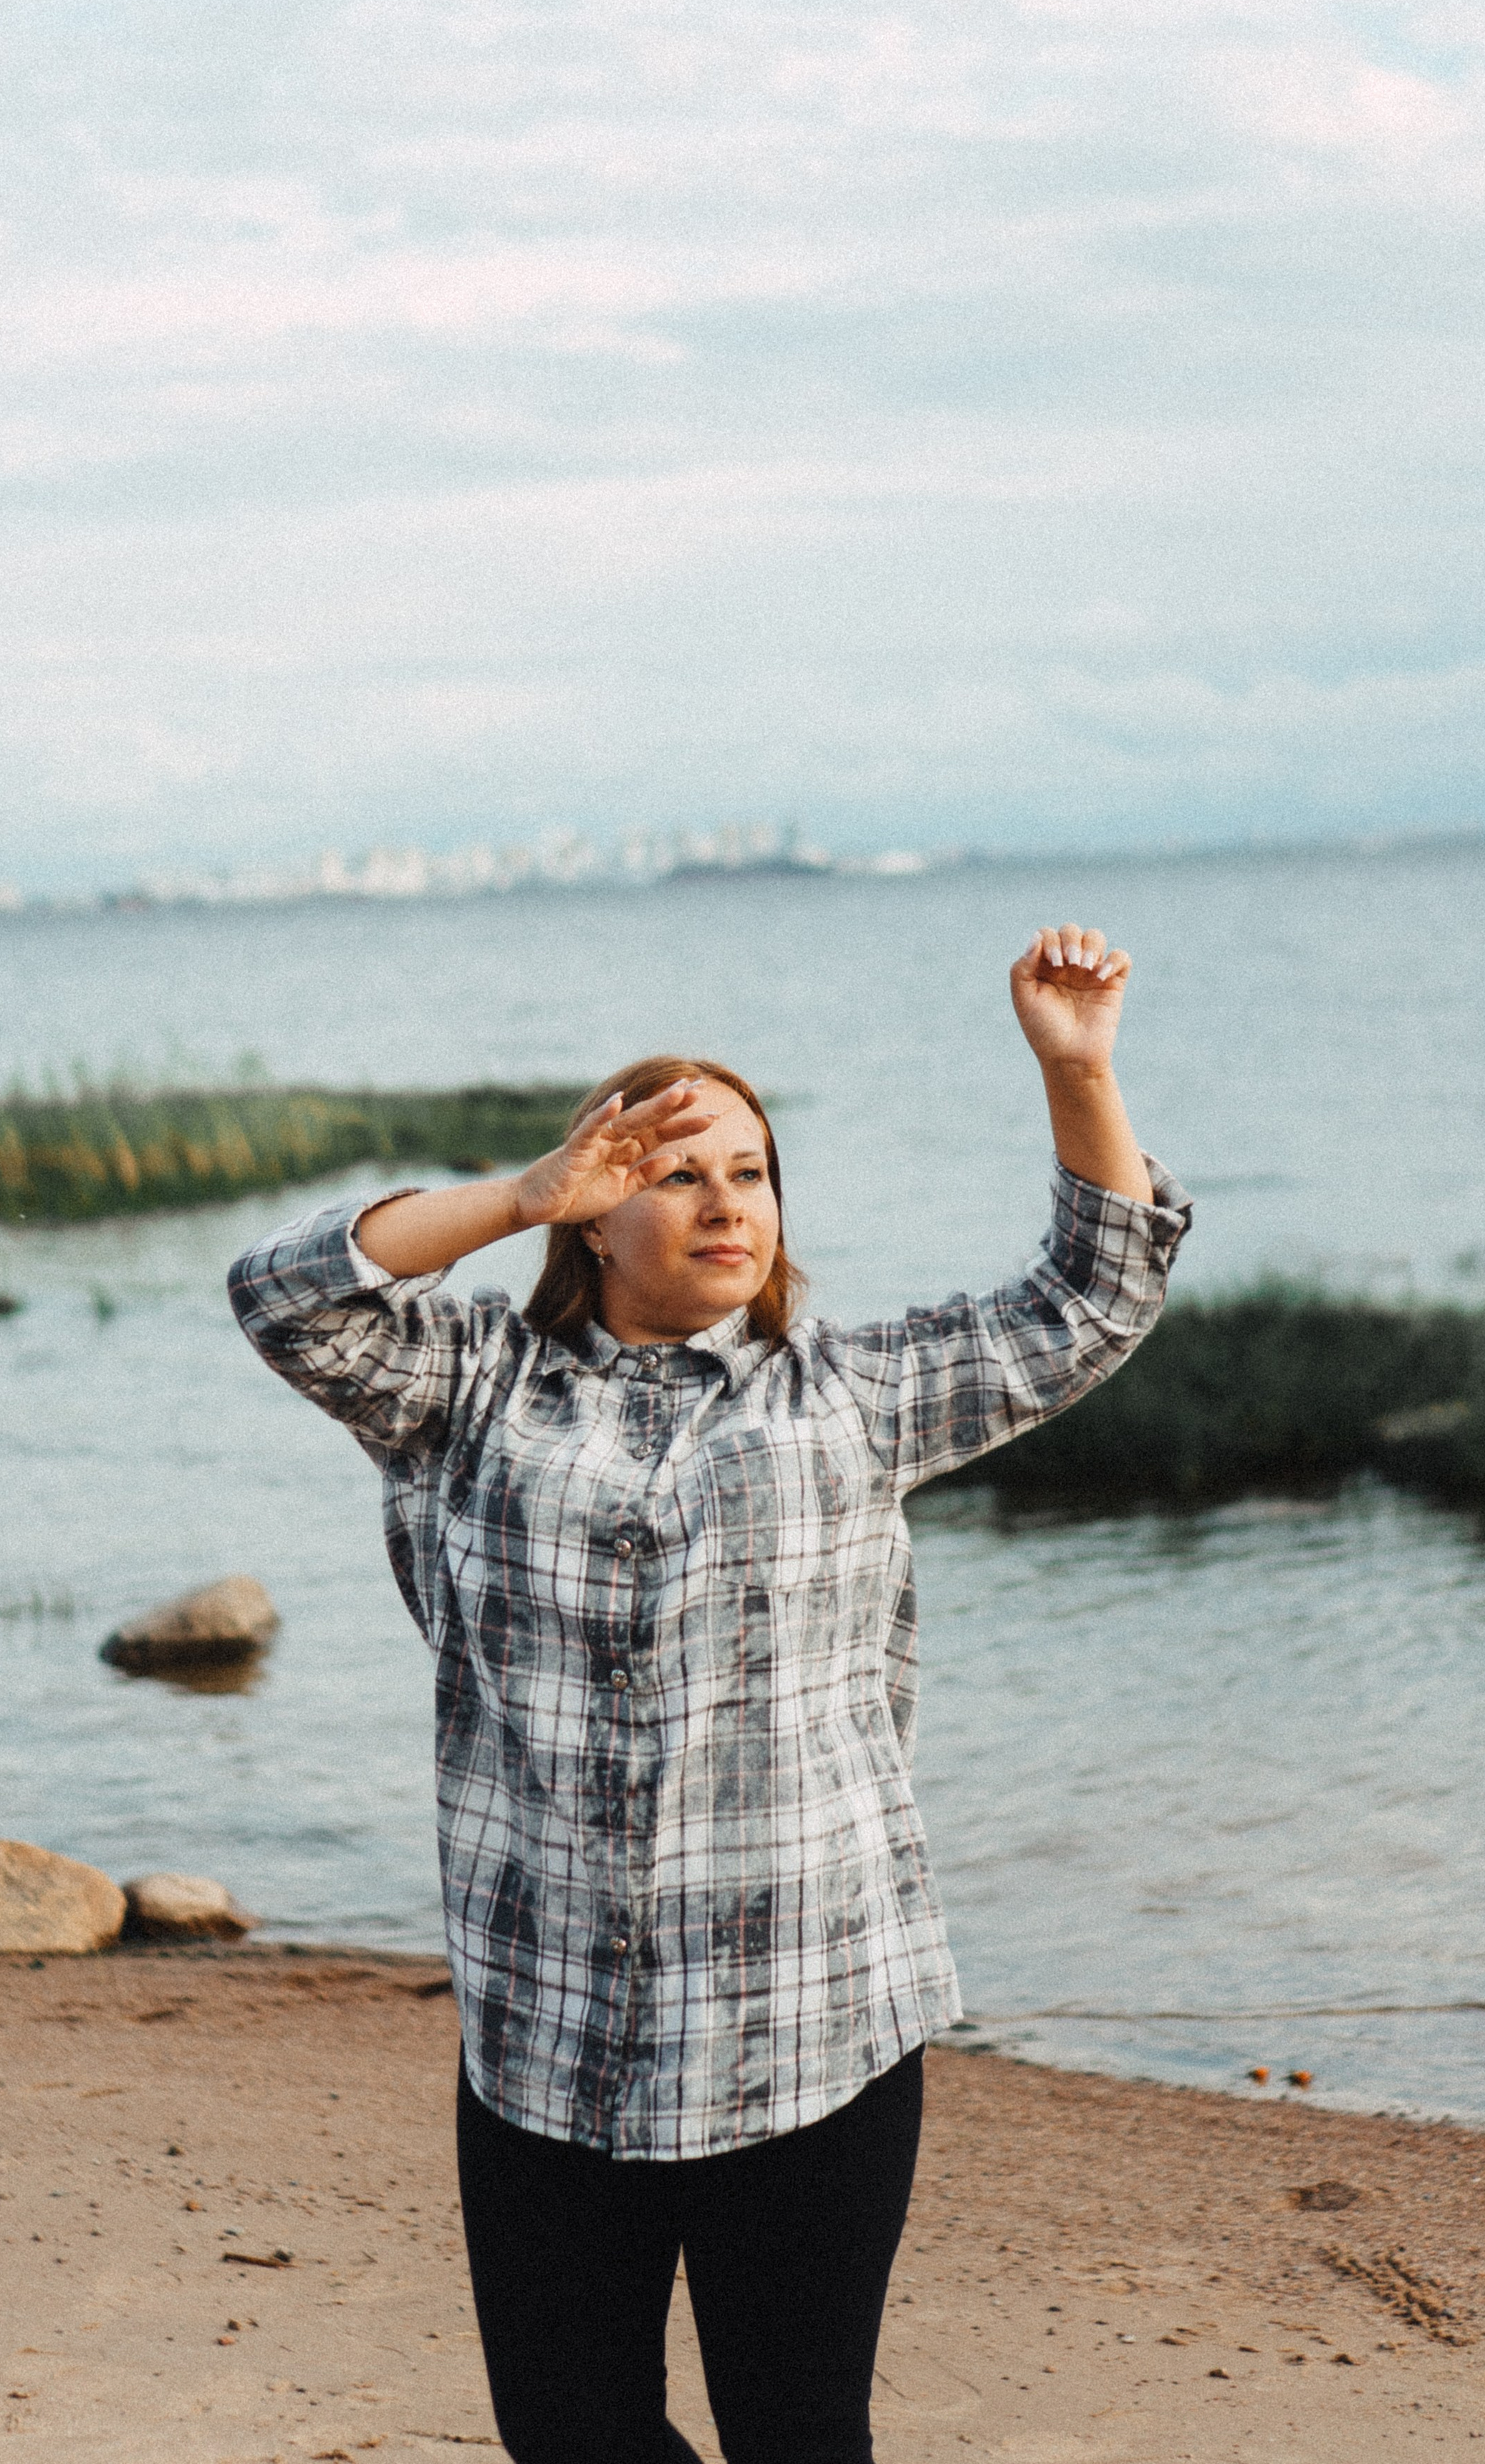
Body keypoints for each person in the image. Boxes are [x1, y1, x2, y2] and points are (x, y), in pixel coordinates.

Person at [229, 920, 1190, 2464]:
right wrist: (517, 1193)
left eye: (748, 1172)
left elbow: (1089, 1301)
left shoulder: (851, 1395)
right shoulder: (463, 1389)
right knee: (572, 2436)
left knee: (797, 2438)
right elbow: (285, 1295)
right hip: (545, 2037)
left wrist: (1074, 1068)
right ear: (597, 1215)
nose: (721, 1201)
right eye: (674, 1170)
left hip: (806, 2032)